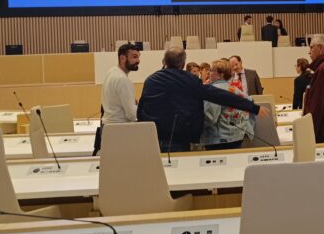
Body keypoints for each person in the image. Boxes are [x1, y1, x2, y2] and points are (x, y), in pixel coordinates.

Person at [137, 48, 266, 152]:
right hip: (179, 138)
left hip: (153, 137)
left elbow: (141, 108)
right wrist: (253, 107)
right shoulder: (189, 80)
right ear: (183, 64)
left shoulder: (151, 80)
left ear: (165, 61)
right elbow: (219, 95)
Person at [200, 59, 254, 150]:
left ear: (220, 75)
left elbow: (209, 118)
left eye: (212, 70)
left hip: (218, 140)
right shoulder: (237, 90)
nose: (209, 73)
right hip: (238, 137)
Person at [101, 42, 140, 125]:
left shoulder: (111, 72)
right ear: (122, 58)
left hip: (108, 126)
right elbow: (132, 115)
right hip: (120, 128)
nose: (138, 61)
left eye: (138, 57)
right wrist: (140, 106)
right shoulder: (123, 79)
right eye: (134, 57)